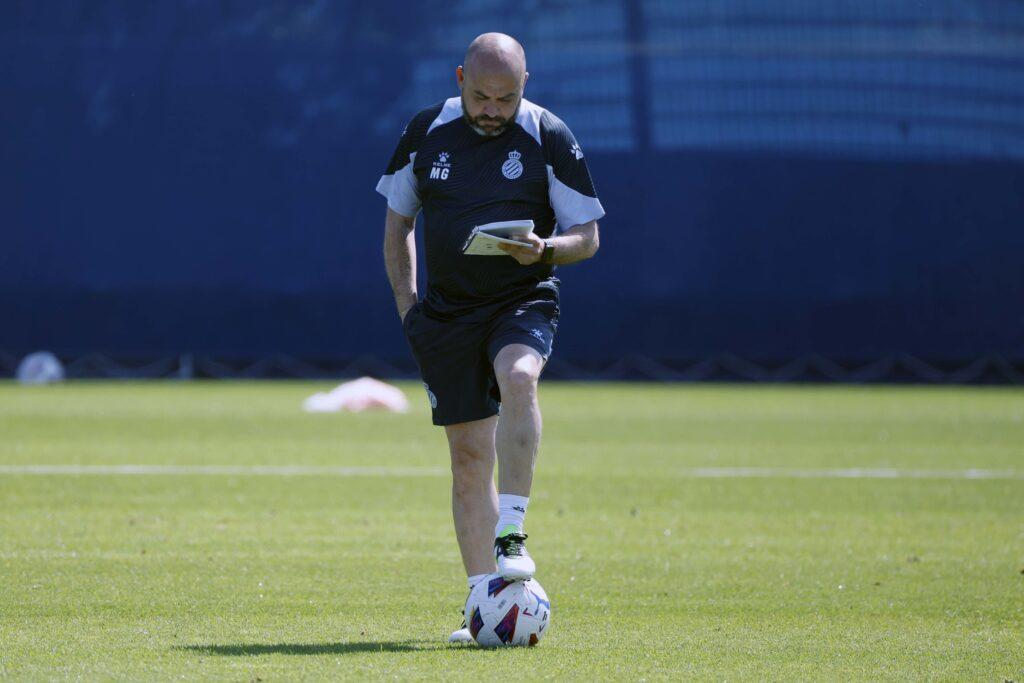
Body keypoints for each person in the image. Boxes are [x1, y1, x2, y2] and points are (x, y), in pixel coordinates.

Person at [377, 32, 604, 643]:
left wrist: (547, 249)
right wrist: (409, 311)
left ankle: (513, 530)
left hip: (520, 298)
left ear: (524, 86)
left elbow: (587, 235)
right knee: (469, 458)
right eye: (481, 96)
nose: (492, 110)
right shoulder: (427, 131)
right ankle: (485, 604)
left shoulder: (548, 134)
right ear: (459, 80)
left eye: (505, 98)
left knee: (520, 376)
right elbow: (398, 225)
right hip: (447, 315)